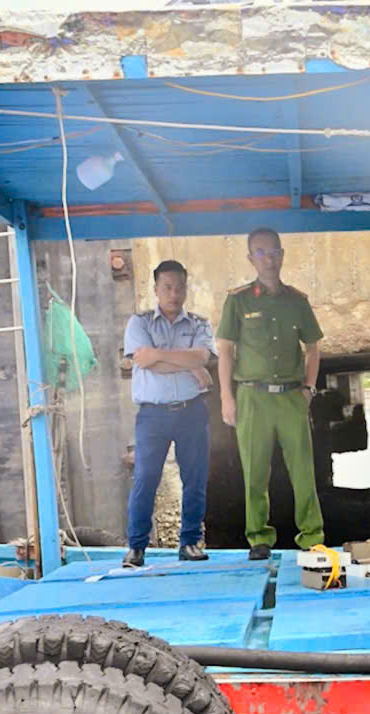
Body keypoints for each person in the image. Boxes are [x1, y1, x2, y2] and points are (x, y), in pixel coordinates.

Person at [216, 227, 326, 560]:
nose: (268, 259)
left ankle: (311, 534)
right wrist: (227, 397)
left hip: (291, 396)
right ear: (251, 259)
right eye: (261, 253)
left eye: (273, 252)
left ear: (282, 255)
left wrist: (309, 388)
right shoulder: (238, 300)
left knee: (303, 468)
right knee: (254, 468)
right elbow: (225, 351)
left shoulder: (297, 301)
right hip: (253, 396)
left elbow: (313, 347)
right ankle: (259, 537)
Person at [122, 260, 216, 567]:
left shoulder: (199, 324)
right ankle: (136, 546)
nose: (173, 293)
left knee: (196, 479)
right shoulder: (140, 323)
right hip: (153, 415)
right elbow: (143, 361)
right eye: (167, 287)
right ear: (156, 289)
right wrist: (189, 364)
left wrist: (160, 355)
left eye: (179, 287)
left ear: (186, 289)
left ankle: (189, 542)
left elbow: (202, 355)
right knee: (146, 478)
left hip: (192, 412)